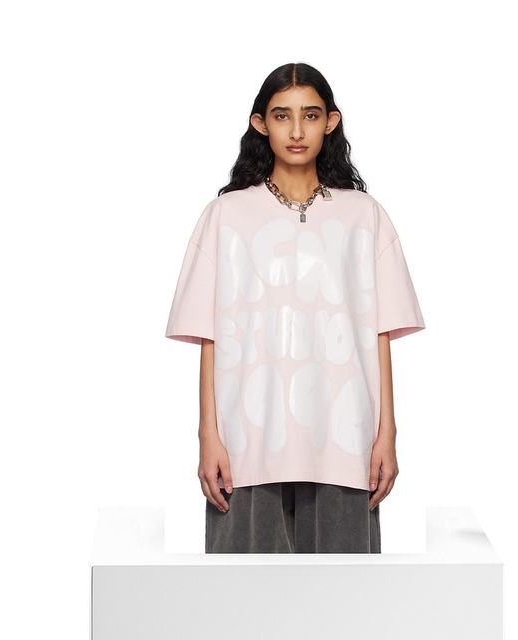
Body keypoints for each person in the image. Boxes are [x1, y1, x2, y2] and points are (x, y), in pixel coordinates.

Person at [165, 62, 426, 553]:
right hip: (248, 441)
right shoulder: (226, 216)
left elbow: (380, 334)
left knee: (343, 593)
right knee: (244, 592)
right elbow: (208, 336)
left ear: (331, 121)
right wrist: (208, 436)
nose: (297, 130)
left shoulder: (364, 216)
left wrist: (386, 434)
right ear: (260, 124)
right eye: (282, 115)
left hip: (344, 439)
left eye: (310, 115)